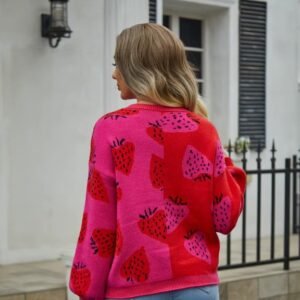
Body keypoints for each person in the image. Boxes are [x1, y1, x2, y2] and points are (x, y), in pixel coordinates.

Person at [69, 23, 246, 300]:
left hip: (134, 289)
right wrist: (229, 166)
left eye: (119, 64)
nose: (114, 74)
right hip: (198, 286)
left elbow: (99, 217)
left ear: (137, 67)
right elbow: (224, 217)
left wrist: (87, 289)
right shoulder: (203, 129)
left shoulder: (110, 128)